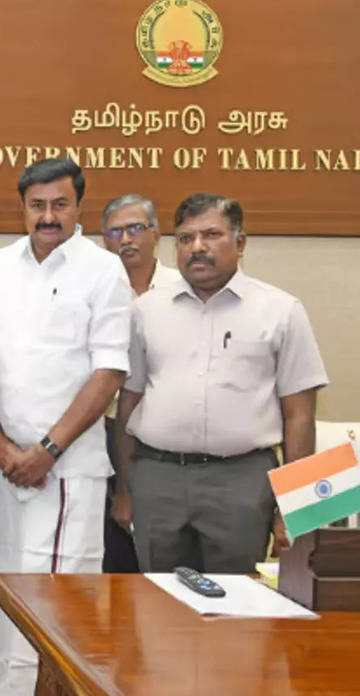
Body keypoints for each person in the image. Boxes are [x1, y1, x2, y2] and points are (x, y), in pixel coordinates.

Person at [0, 158, 132, 696]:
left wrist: (46, 450)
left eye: (59, 204)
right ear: (23, 207)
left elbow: (108, 372)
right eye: (37, 206)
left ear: (78, 206)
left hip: (64, 473)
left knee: (56, 603)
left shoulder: (103, 270)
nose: (48, 216)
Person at [113, 194, 328, 573]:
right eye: (185, 238)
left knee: (238, 611)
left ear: (240, 243)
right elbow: (128, 403)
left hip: (241, 482)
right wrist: (126, 492)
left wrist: (294, 509)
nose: (197, 247)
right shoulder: (146, 311)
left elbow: (299, 417)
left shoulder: (281, 311)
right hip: (157, 479)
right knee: (159, 607)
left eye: (211, 235)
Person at [98, 194, 179, 573]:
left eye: (135, 229)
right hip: (107, 433)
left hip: (166, 436)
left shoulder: (184, 287)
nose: (125, 239)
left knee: (167, 553)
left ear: (156, 234)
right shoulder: (95, 289)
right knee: (117, 552)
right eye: (115, 231)